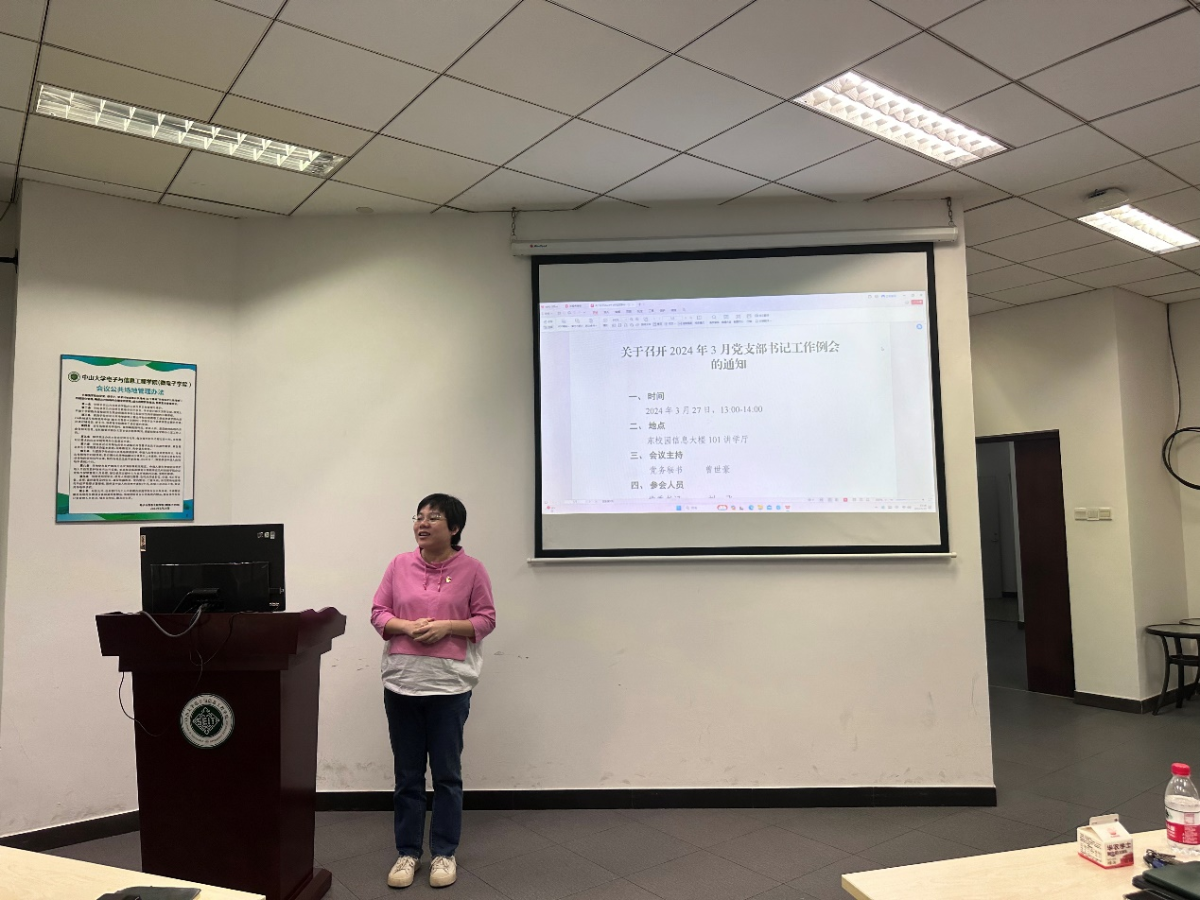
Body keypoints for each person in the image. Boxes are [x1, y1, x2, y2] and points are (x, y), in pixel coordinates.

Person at [370, 493, 496, 889]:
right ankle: (408, 853)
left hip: (449, 685)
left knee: (446, 774)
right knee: (407, 775)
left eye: (433, 517)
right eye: (419, 517)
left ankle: (444, 852)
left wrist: (447, 627)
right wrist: (407, 626)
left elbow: (486, 619)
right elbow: (378, 613)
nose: (422, 524)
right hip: (402, 682)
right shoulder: (398, 564)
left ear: (454, 528)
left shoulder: (472, 569)